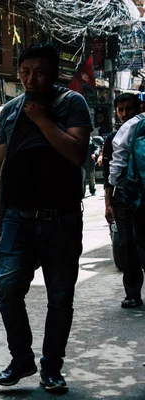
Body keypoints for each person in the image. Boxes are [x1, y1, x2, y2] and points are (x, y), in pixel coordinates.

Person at [0, 43, 92, 393]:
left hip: (60, 220)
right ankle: (22, 359)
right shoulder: (10, 111)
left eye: (40, 72)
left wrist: (43, 120)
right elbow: (0, 163)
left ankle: (52, 367)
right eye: (25, 72)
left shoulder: (72, 104)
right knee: (6, 289)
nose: (31, 79)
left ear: (54, 74)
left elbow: (77, 153)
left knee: (60, 297)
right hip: (17, 218)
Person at [102, 93, 142, 306]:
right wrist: (108, 204)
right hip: (123, 199)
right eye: (120, 110)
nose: (125, 114)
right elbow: (109, 176)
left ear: (139, 108)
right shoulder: (111, 139)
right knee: (127, 245)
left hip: (137, 196)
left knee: (135, 244)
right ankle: (132, 293)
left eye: (129, 109)